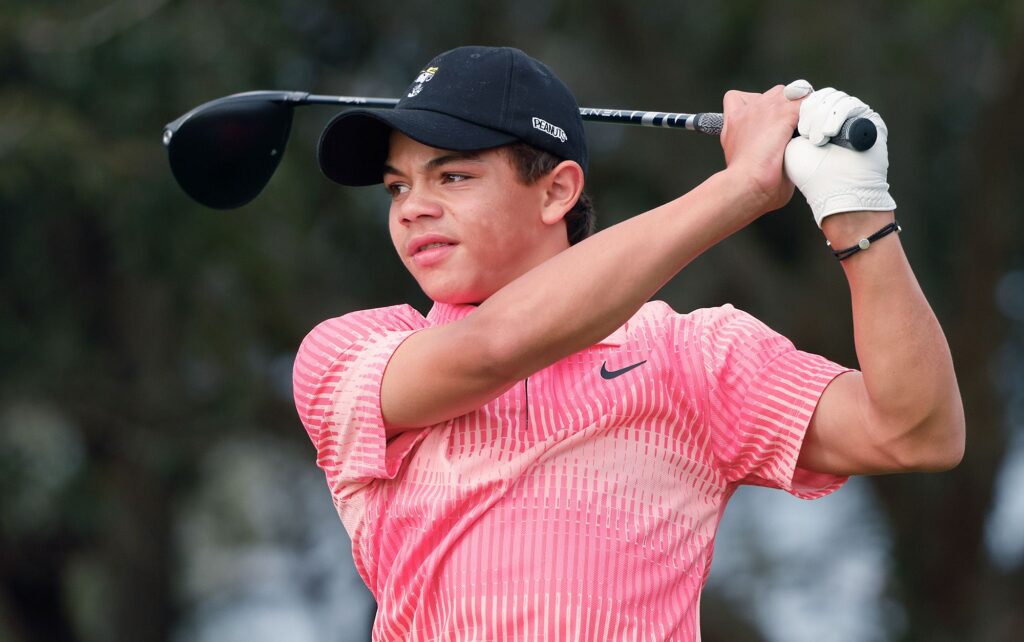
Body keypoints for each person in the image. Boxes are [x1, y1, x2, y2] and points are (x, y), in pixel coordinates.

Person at [292, 45, 964, 641]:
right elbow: (491, 347)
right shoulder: (350, 354)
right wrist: (740, 187)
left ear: (557, 191)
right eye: (397, 186)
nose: (412, 208)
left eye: (452, 176)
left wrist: (859, 212)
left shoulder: (692, 356)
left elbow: (915, 433)